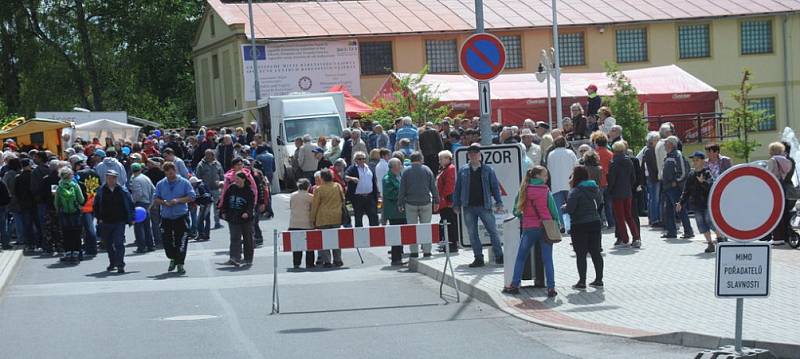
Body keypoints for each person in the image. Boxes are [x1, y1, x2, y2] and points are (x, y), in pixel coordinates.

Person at [503, 166, 559, 297]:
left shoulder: (523, 190)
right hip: (545, 227)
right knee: (548, 259)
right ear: (538, 176)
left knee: (521, 257)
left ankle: (514, 285)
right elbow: (553, 210)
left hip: (529, 228)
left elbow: (516, 211)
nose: (547, 178)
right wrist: (556, 223)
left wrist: (525, 216)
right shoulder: (546, 191)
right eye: (545, 175)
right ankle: (551, 288)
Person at [453, 144, 504, 267]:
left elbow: (495, 187)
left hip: (484, 206)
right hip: (468, 206)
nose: (474, 156)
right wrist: (456, 204)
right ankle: (478, 258)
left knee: (493, 231)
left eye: (476, 154)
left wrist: (499, 202)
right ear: (468, 156)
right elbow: (458, 188)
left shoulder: (488, 170)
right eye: (471, 154)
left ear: (479, 155)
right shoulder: (463, 170)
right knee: (472, 233)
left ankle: (499, 256)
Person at [563, 166, 604, 288]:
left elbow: (570, 209)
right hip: (595, 222)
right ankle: (599, 279)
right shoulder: (594, 188)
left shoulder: (575, 191)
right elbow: (600, 202)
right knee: (596, 252)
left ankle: (582, 281)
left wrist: (564, 207)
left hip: (579, 224)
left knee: (581, 254)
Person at [154, 162, 197, 275]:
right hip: (166, 216)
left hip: (180, 216)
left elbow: (192, 196)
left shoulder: (184, 182)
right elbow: (155, 198)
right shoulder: (161, 184)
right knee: (167, 242)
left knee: (181, 241)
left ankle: (180, 264)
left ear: (175, 171)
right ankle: (172, 258)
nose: (170, 175)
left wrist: (177, 200)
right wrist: (163, 202)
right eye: (168, 173)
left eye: (172, 173)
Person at [398, 151, 439, 257]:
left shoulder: (406, 171)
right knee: (426, 227)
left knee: (412, 228)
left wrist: (400, 203)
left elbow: (402, 189)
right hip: (425, 202)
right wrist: (436, 200)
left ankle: (414, 251)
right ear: (421, 159)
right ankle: (427, 251)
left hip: (410, 203)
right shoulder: (427, 170)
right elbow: (433, 187)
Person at [94, 170, 135, 273]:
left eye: (113, 178)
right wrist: (99, 218)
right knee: (108, 244)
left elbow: (130, 204)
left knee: (119, 243)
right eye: (108, 178)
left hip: (119, 221)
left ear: (116, 179)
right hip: (106, 221)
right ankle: (113, 263)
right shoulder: (101, 190)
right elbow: (96, 205)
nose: (111, 180)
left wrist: (132, 218)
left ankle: (120, 264)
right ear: (106, 178)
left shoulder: (122, 190)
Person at [677, 151, 717, 253]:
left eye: (697, 160)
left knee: (710, 221)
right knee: (701, 224)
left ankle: (721, 237)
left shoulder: (707, 173)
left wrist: (702, 182)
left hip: (707, 204)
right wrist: (681, 202)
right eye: (693, 160)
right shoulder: (691, 175)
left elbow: (711, 188)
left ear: (703, 161)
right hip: (696, 204)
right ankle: (710, 244)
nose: (694, 162)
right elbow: (686, 190)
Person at [608, 141, 640, 248]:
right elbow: (633, 178)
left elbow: (612, 180)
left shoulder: (613, 163)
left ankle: (625, 238)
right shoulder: (629, 161)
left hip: (617, 193)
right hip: (628, 192)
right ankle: (636, 237)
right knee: (629, 216)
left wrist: (610, 190)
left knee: (620, 217)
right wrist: (629, 187)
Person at [661, 136, 693, 239]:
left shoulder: (677, 155)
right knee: (668, 210)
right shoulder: (669, 155)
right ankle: (671, 232)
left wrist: (676, 181)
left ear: (671, 144)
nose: (664, 145)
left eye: (666, 143)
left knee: (680, 209)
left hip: (674, 188)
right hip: (667, 187)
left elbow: (684, 172)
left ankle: (688, 231)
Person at [221, 171, 255, 267]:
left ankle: (248, 258)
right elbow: (225, 200)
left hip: (245, 219)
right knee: (235, 238)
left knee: (247, 238)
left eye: (238, 179)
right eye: (235, 180)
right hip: (233, 217)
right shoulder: (231, 188)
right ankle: (234, 258)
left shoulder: (249, 191)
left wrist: (247, 213)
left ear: (244, 179)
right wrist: (223, 211)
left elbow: (251, 205)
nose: (237, 181)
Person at [310, 169, 344, 267]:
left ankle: (327, 261)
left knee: (323, 240)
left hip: (323, 217)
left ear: (322, 178)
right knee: (336, 239)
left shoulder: (319, 189)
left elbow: (315, 205)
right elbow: (343, 199)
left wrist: (312, 219)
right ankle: (338, 259)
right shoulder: (338, 186)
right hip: (336, 216)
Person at [546, 137, 578, 232]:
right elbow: (576, 166)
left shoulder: (551, 154)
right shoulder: (570, 153)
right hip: (569, 183)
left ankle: (561, 225)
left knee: (557, 207)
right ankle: (572, 224)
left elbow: (548, 168)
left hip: (556, 183)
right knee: (571, 205)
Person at [766, 142, 795, 245]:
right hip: (783, 187)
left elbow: (768, 175)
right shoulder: (787, 161)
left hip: (774, 187)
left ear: (773, 150)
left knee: (775, 212)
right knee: (783, 212)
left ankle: (777, 237)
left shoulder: (773, 160)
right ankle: (785, 236)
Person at [54, 167, 85, 263]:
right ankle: (76, 253)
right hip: (75, 213)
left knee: (66, 234)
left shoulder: (59, 187)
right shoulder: (75, 186)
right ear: (71, 175)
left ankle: (68, 253)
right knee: (76, 233)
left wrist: (58, 209)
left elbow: (56, 203)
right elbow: (81, 199)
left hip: (64, 213)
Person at [344, 151, 380, 228]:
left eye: (364, 159)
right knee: (358, 218)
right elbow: (345, 177)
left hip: (369, 196)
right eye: (360, 159)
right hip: (358, 198)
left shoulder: (369, 168)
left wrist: (376, 195)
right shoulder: (352, 168)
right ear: (355, 160)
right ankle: (359, 237)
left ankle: (376, 235)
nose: (362, 161)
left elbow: (373, 182)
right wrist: (352, 178)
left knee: (373, 216)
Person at [382, 158, 406, 265]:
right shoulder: (387, 179)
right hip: (394, 212)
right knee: (396, 236)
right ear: (392, 167)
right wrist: (402, 194)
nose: (400, 167)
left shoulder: (398, 177)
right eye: (398, 165)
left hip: (400, 211)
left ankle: (399, 256)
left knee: (401, 235)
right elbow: (389, 194)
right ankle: (396, 258)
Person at [128, 163, 156, 253]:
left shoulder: (135, 180)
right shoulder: (146, 178)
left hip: (139, 204)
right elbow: (154, 190)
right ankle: (150, 245)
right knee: (147, 226)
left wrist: (132, 202)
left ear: (132, 170)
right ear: (141, 169)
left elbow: (138, 194)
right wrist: (150, 203)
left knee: (138, 227)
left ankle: (141, 247)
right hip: (147, 204)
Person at [195, 149, 225, 230]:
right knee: (205, 208)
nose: (207, 156)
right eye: (206, 154)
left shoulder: (217, 164)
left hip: (216, 188)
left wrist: (222, 183)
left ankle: (217, 222)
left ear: (213, 155)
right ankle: (201, 223)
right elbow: (198, 176)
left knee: (217, 206)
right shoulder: (201, 164)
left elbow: (221, 174)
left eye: (209, 155)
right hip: (205, 190)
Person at [288, 179, 315, 269]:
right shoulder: (310, 197)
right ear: (308, 186)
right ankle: (309, 263)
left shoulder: (292, 195)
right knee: (310, 246)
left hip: (294, 223)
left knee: (297, 245)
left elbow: (291, 206)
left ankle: (296, 263)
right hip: (307, 223)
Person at [436, 150, 458, 253]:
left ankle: (452, 245)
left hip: (447, 202)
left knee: (449, 224)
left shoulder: (450, 169)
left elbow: (450, 185)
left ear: (448, 158)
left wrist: (444, 197)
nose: (440, 161)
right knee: (447, 224)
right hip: (445, 201)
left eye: (441, 159)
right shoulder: (446, 169)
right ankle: (449, 244)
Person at [15, 158, 37, 253]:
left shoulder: (18, 177)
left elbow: (16, 192)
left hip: (24, 203)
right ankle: (39, 242)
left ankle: (30, 244)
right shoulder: (33, 175)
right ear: (28, 165)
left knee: (27, 224)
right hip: (35, 202)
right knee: (37, 223)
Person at [642, 132, 662, 227]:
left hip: (652, 177)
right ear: (651, 141)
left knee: (652, 199)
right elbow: (654, 166)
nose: (658, 142)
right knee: (654, 199)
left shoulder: (650, 150)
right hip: (653, 178)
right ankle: (654, 219)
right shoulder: (649, 151)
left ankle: (653, 218)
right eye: (657, 140)